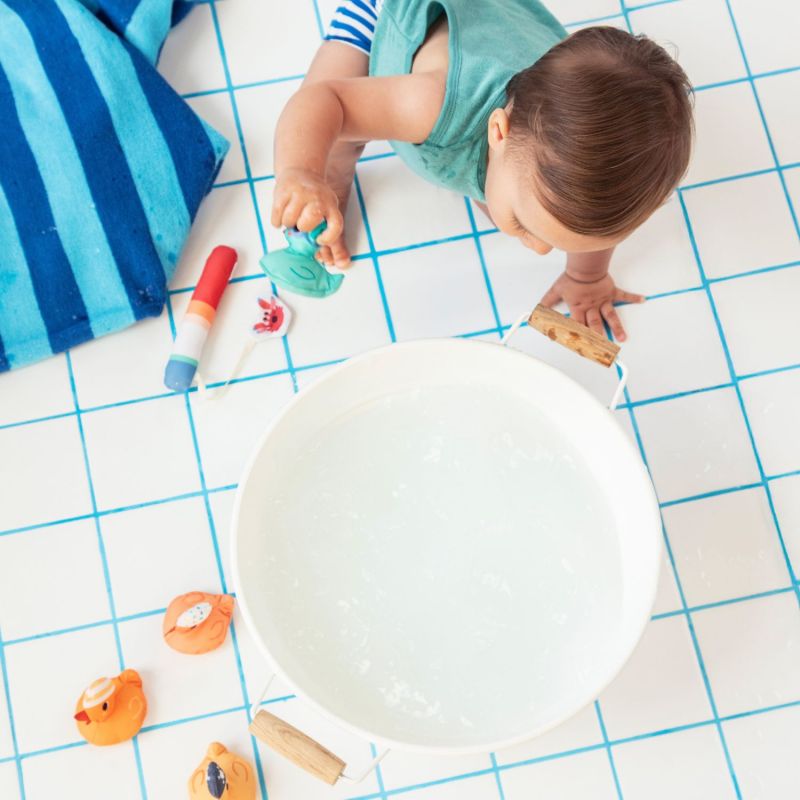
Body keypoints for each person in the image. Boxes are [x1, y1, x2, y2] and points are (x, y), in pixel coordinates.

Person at [271, 0, 693, 340]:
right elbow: (325, 103)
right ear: (497, 131)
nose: (539, 249)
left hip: (493, 21)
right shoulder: (431, 105)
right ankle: (331, 182)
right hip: (390, 16)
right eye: (526, 225)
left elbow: (590, 229)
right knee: (334, 138)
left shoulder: (567, 165)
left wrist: (587, 278)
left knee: (552, 213)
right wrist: (302, 173)